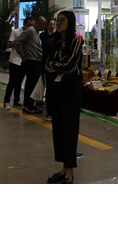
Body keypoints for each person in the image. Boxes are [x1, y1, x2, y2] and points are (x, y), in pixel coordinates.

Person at [45, 10, 83, 184]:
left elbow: (69, 66)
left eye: (62, 20)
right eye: (57, 20)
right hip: (57, 88)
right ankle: (63, 168)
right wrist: (56, 65)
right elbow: (47, 64)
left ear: (70, 23)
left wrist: (55, 65)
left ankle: (70, 171)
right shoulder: (56, 42)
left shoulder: (76, 41)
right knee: (58, 128)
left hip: (71, 90)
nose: (59, 23)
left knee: (69, 129)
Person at [15, 16, 46, 113]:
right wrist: (23, 56)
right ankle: (28, 106)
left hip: (36, 61)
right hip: (31, 62)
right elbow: (18, 42)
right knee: (31, 85)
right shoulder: (30, 31)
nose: (44, 26)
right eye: (43, 24)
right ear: (37, 22)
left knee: (33, 84)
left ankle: (30, 105)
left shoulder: (36, 33)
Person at [3, 20, 29, 109]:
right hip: (14, 60)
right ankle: (6, 101)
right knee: (12, 82)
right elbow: (9, 44)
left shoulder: (30, 34)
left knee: (19, 82)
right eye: (28, 25)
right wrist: (19, 40)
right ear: (25, 24)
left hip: (24, 60)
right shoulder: (16, 32)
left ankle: (16, 100)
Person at [39, 18, 57, 120]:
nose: (52, 26)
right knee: (50, 90)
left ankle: (52, 112)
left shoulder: (58, 37)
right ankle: (49, 112)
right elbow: (44, 54)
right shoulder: (44, 36)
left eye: (54, 24)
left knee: (52, 90)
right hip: (49, 68)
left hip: (56, 69)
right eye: (50, 24)